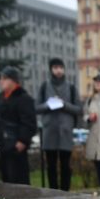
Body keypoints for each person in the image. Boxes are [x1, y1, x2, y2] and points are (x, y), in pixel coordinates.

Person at [38, 58, 81, 191]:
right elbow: (37, 107)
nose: (58, 70)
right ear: (51, 70)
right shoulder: (44, 86)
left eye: (61, 68)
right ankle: (52, 191)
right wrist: (49, 105)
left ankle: (65, 191)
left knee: (65, 165)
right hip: (49, 131)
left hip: (65, 132)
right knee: (50, 165)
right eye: (55, 68)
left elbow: (78, 109)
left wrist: (64, 104)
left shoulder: (72, 87)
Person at [0, 66, 37, 185]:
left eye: (3, 78)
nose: (0, 81)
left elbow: (29, 123)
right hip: (4, 145)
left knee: (18, 180)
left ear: (12, 80)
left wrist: (22, 141)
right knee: (7, 179)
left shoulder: (23, 98)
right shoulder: (2, 98)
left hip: (16, 147)